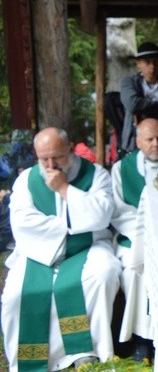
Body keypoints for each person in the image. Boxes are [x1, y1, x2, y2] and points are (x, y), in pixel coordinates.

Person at [2, 128, 121, 371]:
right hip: (39, 252)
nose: (50, 164)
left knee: (103, 274)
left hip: (88, 247)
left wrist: (65, 190)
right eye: (43, 158)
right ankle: (36, 357)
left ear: (70, 148)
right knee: (15, 295)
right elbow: (23, 223)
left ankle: (87, 351)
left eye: (57, 156)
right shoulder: (26, 180)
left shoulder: (95, 174)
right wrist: (71, 226)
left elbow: (102, 215)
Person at [110, 118, 158, 363]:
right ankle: (141, 340)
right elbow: (118, 211)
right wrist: (145, 232)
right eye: (149, 139)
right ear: (138, 142)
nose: (156, 144)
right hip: (132, 238)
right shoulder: (121, 169)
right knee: (135, 273)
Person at [120, 42, 158, 156]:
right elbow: (132, 104)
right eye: (147, 62)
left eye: (156, 62)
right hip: (133, 144)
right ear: (138, 64)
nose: (152, 66)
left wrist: (143, 108)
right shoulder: (129, 83)